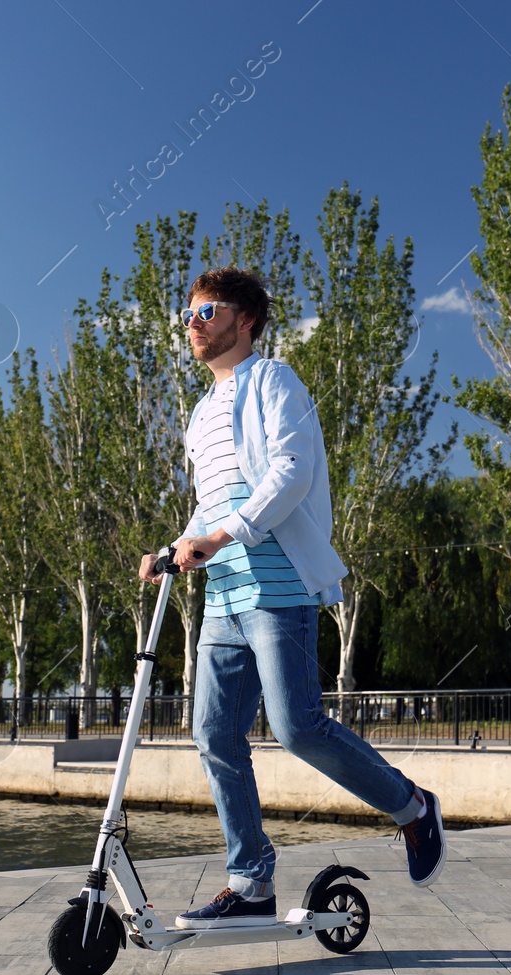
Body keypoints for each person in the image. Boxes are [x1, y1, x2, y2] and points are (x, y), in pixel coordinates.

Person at [138, 267, 445, 930]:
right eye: (187, 313)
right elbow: (209, 502)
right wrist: (176, 546)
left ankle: (413, 807)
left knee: (298, 726)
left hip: (278, 587)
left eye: (207, 311)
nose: (192, 324)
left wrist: (221, 535)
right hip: (224, 596)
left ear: (244, 320)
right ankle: (249, 881)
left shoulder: (274, 381)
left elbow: (290, 470)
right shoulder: (200, 413)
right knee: (215, 734)